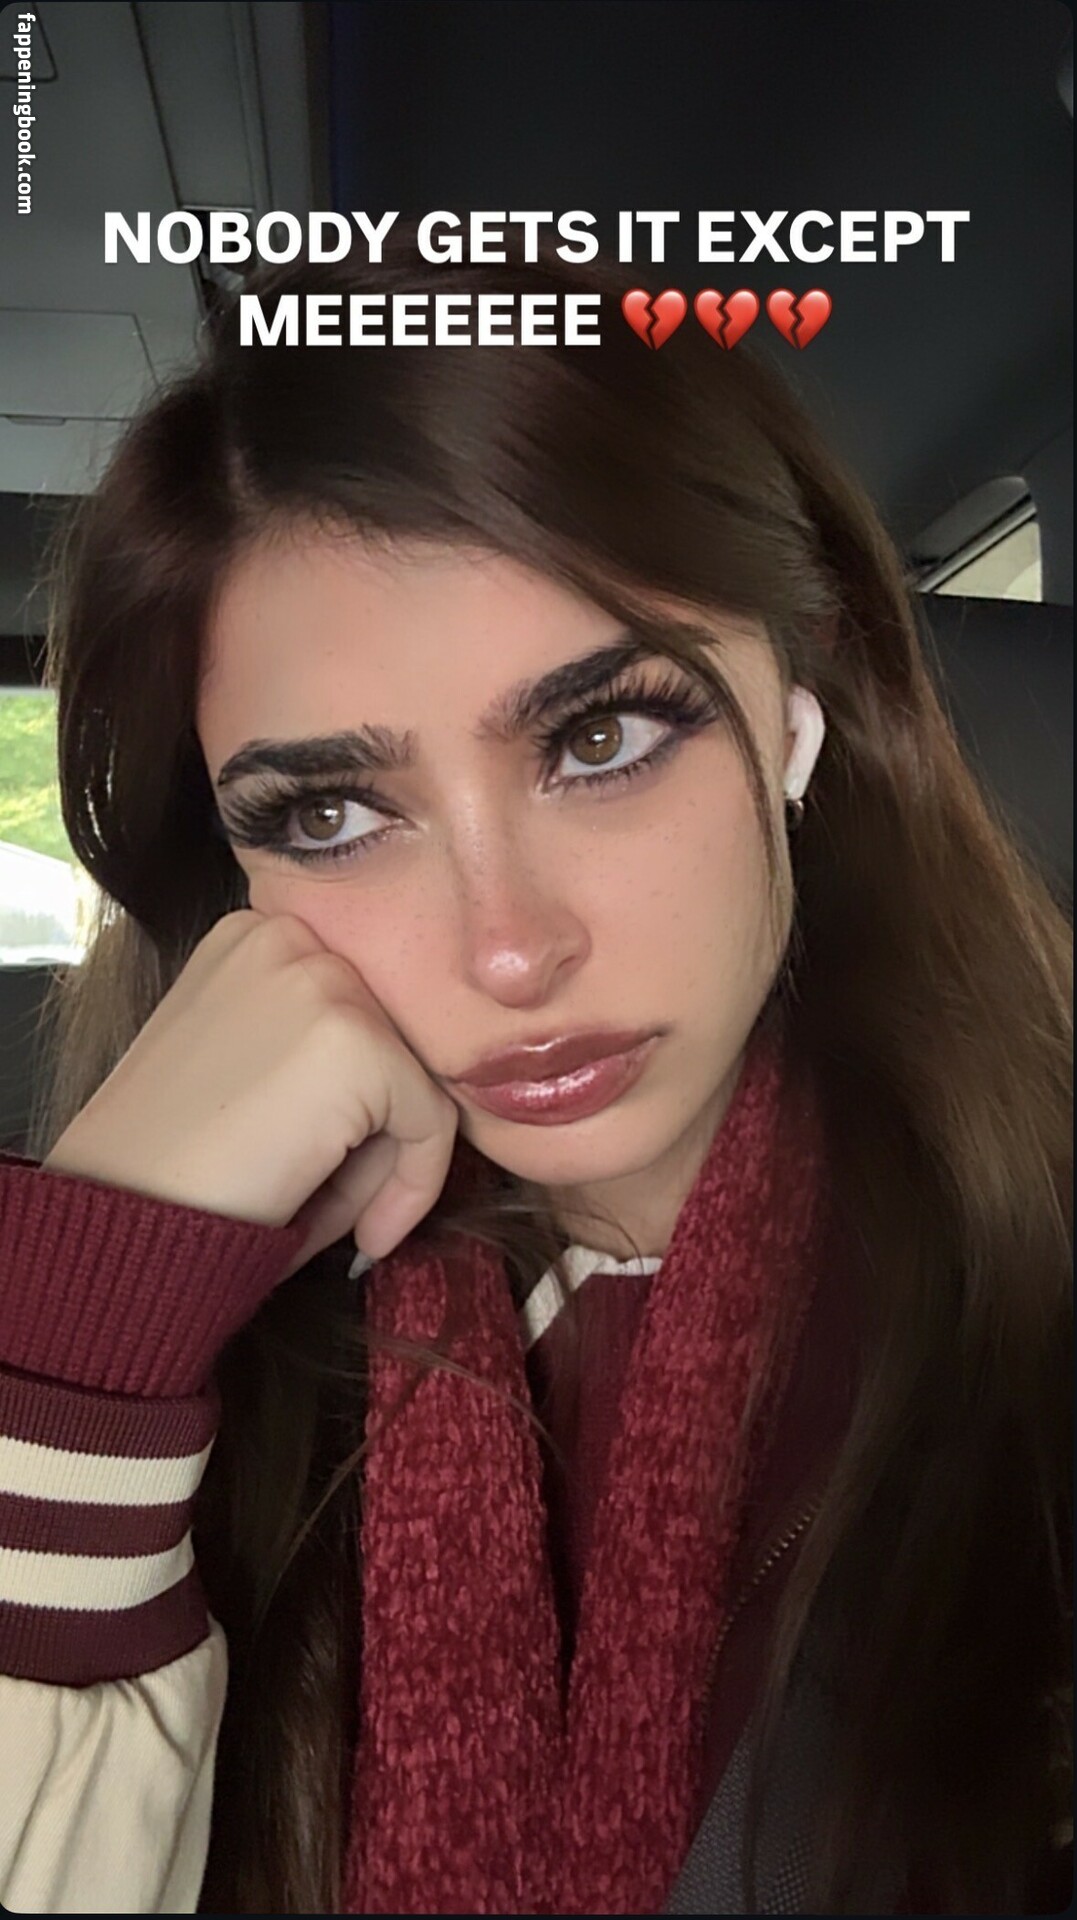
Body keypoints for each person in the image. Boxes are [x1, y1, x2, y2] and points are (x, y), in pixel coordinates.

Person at [0, 236, 1070, 1917]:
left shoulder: (1029, 1304)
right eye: (329, 815)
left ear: (797, 711)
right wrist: (93, 1328)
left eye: (598, 739)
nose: (507, 952)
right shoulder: (215, 1385)